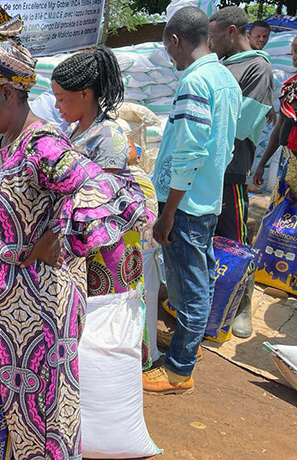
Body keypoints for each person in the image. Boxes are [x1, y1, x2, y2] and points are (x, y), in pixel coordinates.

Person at [0, 4, 149, 457]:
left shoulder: (44, 145)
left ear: (7, 93)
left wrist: (63, 236)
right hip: (7, 318)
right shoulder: (5, 143)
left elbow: (120, 193)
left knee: (46, 427)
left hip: (39, 321)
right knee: (18, 425)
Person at [146, 6, 241, 394]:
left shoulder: (195, 82)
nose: (170, 57)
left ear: (175, 40)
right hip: (205, 199)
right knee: (193, 279)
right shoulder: (225, 79)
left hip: (185, 205)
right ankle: (188, 346)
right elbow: (226, 148)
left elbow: (189, 153)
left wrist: (168, 212)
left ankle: (179, 369)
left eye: (169, 48)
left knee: (190, 286)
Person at [51, 47, 155, 368]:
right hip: (87, 241)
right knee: (93, 325)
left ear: (85, 94)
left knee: (111, 322)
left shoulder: (108, 135)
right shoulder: (77, 130)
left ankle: (117, 380)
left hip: (108, 248)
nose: (57, 106)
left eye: (62, 98)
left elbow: (103, 201)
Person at [208, 6, 275, 338]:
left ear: (231, 31)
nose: (210, 41)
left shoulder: (258, 68)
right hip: (208, 166)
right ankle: (212, 299)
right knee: (204, 236)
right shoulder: (221, 65)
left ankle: (242, 305)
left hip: (232, 169)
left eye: (214, 35)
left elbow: (244, 123)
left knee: (235, 239)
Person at [254, 36, 297, 200]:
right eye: (294, 52)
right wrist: (261, 164)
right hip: (290, 161)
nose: (294, 57)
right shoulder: (290, 87)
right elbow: (280, 128)